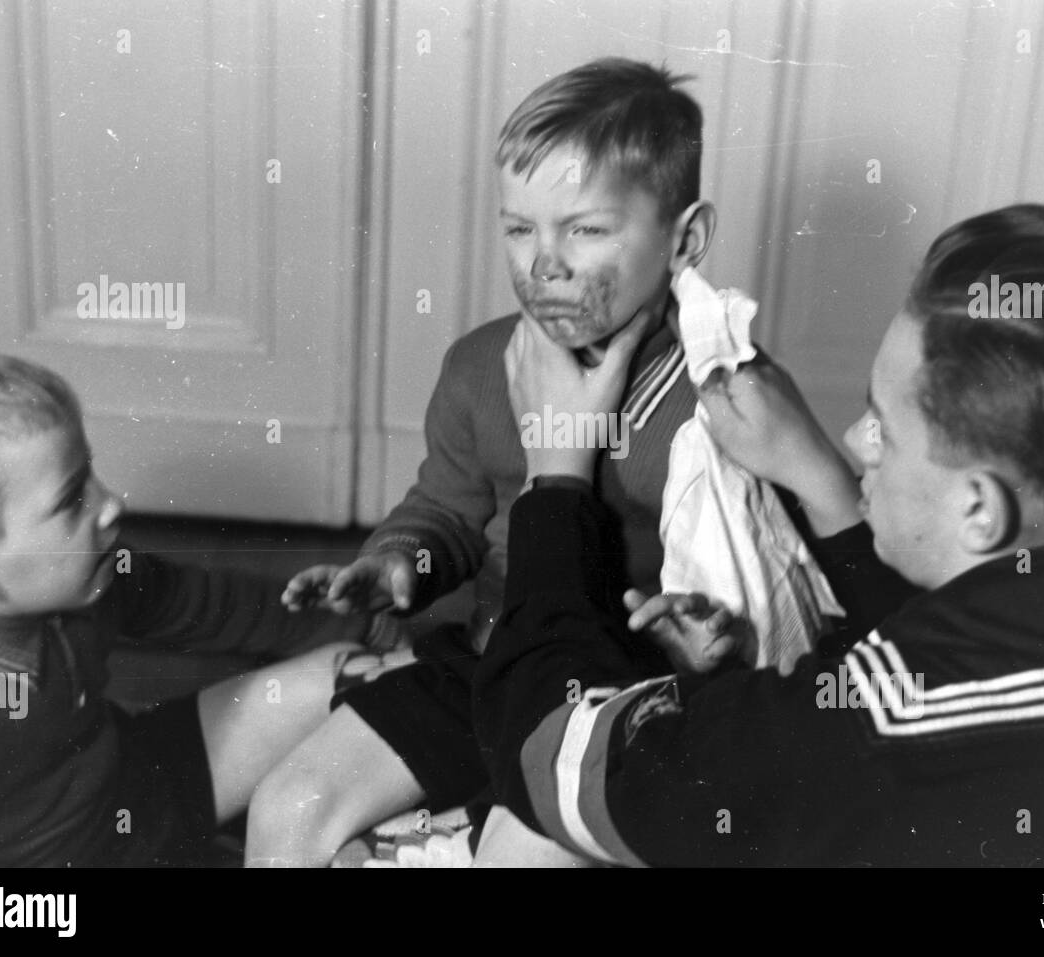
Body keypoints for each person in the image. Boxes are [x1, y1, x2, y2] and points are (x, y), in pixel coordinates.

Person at [475, 203, 1044, 866]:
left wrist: (558, 481)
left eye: (883, 428)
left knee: (525, 836)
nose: (853, 438)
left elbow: (555, 753)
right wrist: (826, 488)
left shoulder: (865, 730)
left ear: (980, 511)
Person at [248, 58, 723, 866]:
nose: (544, 263)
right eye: (519, 228)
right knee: (288, 804)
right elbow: (446, 511)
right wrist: (401, 561)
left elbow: (753, 587)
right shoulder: (481, 368)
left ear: (685, 240)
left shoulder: (714, 402)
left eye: (586, 229)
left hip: (624, 701)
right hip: (485, 669)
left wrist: (708, 622)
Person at [0, 351, 362, 866]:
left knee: (357, 674)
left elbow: (201, 603)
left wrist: (359, 619)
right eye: (71, 500)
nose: (111, 503)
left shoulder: (89, 574)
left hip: (137, 792)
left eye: (90, 474)